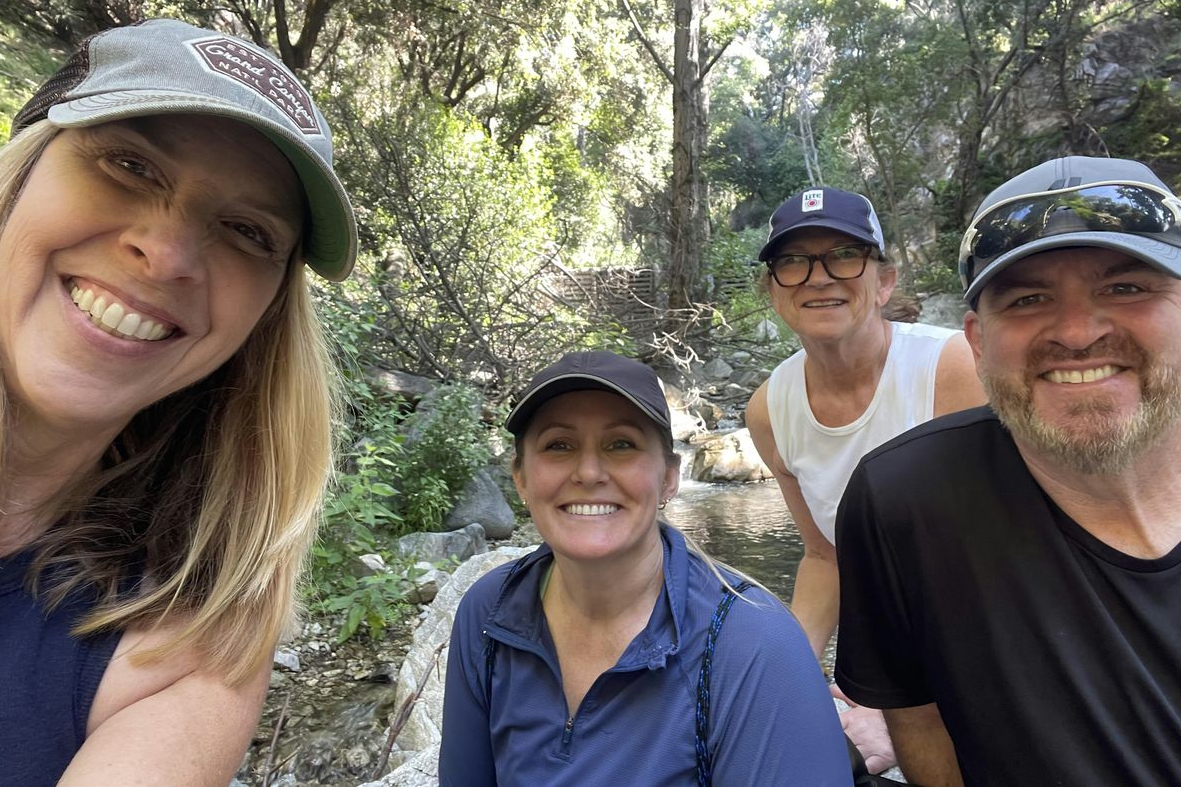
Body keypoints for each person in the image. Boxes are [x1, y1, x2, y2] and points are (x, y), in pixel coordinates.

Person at [0, 18, 357, 786]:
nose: (167, 254)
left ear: (264, 322)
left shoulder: (186, 641)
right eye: (129, 165)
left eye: (246, 230)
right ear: (19, 174)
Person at [834, 156, 1181, 786]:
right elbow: (918, 716)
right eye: (1028, 299)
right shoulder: (903, 501)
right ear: (976, 340)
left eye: (1126, 288)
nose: (1076, 333)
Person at [440, 351, 852, 786]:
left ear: (669, 477)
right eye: (558, 445)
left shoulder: (753, 644)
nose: (589, 472)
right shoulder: (489, 613)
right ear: (521, 477)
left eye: (621, 444)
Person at [744, 187, 986, 772]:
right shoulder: (768, 410)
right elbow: (825, 556)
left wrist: (902, 696)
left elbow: (1004, 550)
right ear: (773, 291)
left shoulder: (954, 368)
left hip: (988, 636)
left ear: (884, 282)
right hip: (899, 662)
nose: (818, 277)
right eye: (793, 262)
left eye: (844, 256)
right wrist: (790, 672)